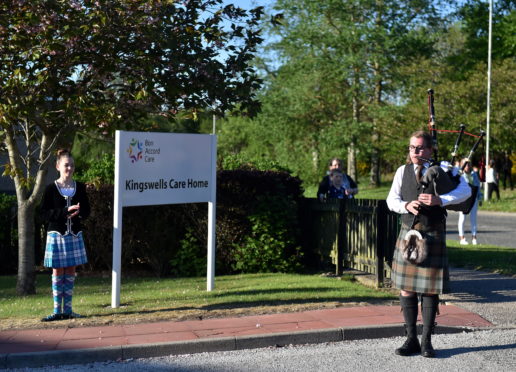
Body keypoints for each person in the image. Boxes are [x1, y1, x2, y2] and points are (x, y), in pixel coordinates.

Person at [386, 131, 470, 358]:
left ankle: (427, 342)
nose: (415, 152)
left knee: (430, 290)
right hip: (408, 234)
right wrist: (406, 206)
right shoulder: (401, 171)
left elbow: (466, 191)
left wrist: (440, 200)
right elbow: (391, 200)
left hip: (432, 233)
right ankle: (410, 339)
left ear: (430, 150)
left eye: (421, 148)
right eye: (412, 147)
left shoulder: (444, 169)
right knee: (406, 288)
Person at [40, 149, 90, 321]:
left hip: (74, 234)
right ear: (58, 166)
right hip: (57, 235)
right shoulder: (50, 189)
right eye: (66, 165)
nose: (69, 168)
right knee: (57, 270)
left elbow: (87, 211)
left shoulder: (80, 187)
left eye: (72, 165)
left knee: (70, 270)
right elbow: (44, 214)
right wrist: (64, 211)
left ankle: (67, 310)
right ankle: (56, 311)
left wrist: (79, 212)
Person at [458, 159, 482, 245]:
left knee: (473, 219)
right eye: (465, 164)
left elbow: (478, 186)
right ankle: (462, 238)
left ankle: (474, 237)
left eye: (468, 164)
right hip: (464, 199)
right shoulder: (460, 174)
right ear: (462, 165)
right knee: (462, 218)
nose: (467, 166)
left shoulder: (474, 174)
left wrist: (480, 198)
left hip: (474, 199)